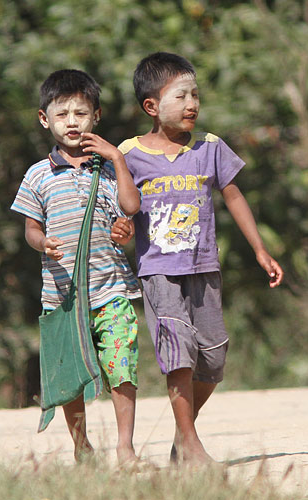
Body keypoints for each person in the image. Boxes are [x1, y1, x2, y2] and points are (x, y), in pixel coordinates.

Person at [115, 52, 284, 465]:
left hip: (205, 268)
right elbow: (121, 209)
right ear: (151, 107)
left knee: (213, 358)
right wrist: (119, 234)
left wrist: (260, 248)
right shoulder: (128, 154)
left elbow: (233, 195)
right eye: (180, 96)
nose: (191, 104)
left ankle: (181, 436)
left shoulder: (210, 148)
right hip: (158, 272)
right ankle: (192, 445)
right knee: (178, 352)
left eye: (195, 94)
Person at [11, 69, 142, 465]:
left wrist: (117, 159)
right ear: (43, 118)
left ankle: (125, 447)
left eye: (81, 113)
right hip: (63, 295)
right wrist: (43, 244)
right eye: (62, 113)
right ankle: (82, 448)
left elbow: (129, 212)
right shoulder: (38, 174)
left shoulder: (108, 168)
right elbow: (31, 230)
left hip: (112, 287)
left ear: (96, 116)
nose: (72, 122)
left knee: (122, 365)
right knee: (69, 378)